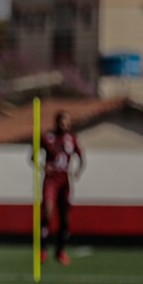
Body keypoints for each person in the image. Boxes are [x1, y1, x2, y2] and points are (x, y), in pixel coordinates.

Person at [37, 110, 84, 264]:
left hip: (65, 182)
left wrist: (78, 171)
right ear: (57, 122)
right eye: (63, 121)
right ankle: (42, 250)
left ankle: (60, 250)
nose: (66, 124)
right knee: (48, 214)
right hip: (51, 181)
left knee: (65, 220)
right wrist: (43, 166)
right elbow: (32, 156)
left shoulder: (72, 138)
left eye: (68, 121)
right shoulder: (47, 137)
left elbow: (81, 157)